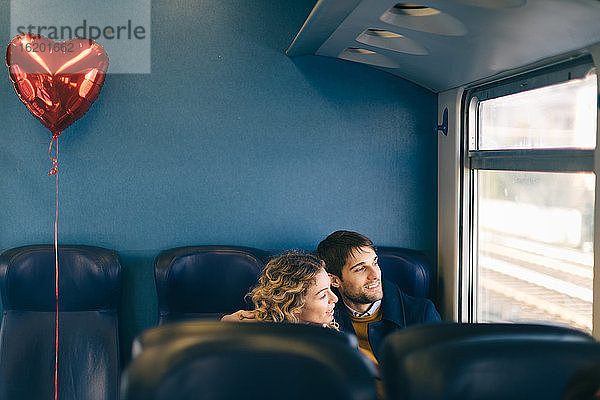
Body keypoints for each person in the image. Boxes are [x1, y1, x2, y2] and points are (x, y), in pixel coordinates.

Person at [316, 230, 441, 365]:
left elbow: (439, 376)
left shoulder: (421, 314)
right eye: (360, 269)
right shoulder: (323, 318)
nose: (375, 275)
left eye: (375, 263)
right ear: (334, 280)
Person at [222, 253, 339, 329]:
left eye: (330, 289)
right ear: (295, 304)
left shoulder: (325, 331)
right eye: (323, 295)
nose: (335, 298)